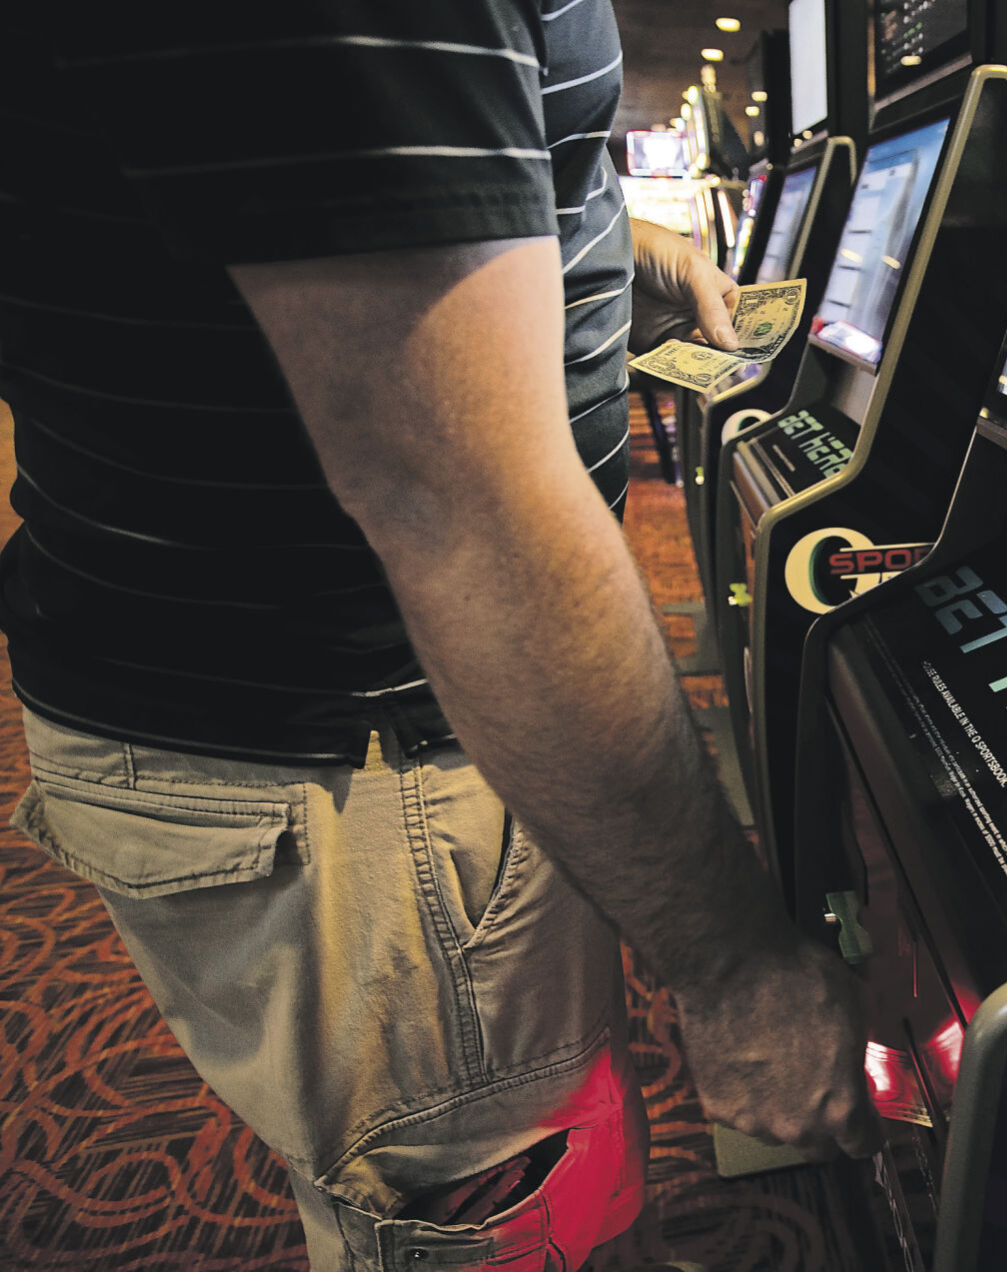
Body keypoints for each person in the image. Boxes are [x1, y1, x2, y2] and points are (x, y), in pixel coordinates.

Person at [0, 3, 880, 1270]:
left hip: (396, 709)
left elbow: (304, 216)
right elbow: (455, 503)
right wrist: (735, 964)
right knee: (492, 1210)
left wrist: (587, 247)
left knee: (555, 1168)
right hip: (358, 740)